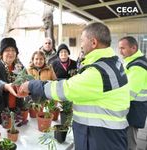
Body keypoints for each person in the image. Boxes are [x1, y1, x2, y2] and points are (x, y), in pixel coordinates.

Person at [20, 22, 130, 150]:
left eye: (82, 40)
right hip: (108, 133)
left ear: (93, 42)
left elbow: (65, 89)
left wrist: (32, 85)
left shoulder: (99, 72)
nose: (81, 44)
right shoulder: (113, 62)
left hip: (100, 137)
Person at [118, 36, 147, 150]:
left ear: (133, 48)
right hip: (131, 108)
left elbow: (129, 93)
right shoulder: (131, 61)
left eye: (123, 48)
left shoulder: (138, 66)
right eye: (119, 48)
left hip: (133, 109)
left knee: (129, 143)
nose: (120, 51)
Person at [0, 37, 23, 123]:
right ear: (2, 53)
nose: (11, 53)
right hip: (0, 108)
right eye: (7, 50)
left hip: (17, 106)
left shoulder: (19, 66)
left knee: (16, 132)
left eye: (13, 50)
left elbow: (25, 78)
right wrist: (6, 86)